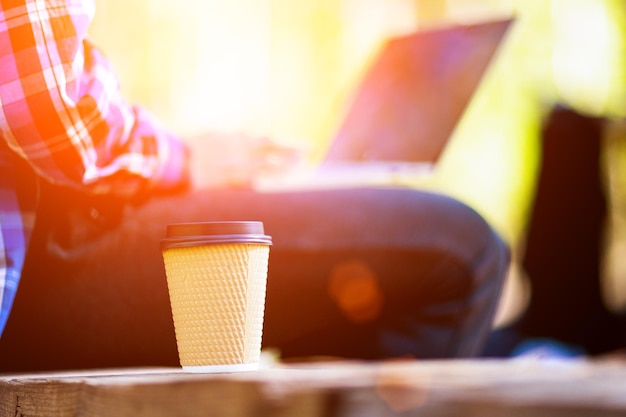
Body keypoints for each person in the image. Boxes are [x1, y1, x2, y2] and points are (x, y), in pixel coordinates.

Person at [0, 0, 510, 372]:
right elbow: (54, 119)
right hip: (30, 276)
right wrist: (186, 159)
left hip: (39, 247)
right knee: (459, 251)